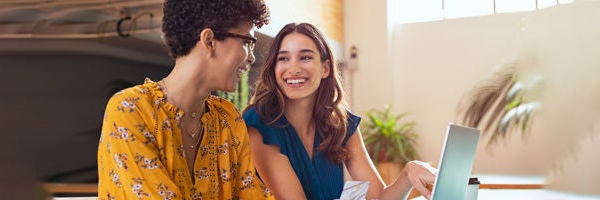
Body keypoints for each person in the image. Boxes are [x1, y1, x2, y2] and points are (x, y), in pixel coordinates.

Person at [97, 0, 272, 199]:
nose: (252, 58)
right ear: (209, 41)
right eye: (247, 42)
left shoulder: (228, 119)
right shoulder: (130, 110)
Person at [243, 23, 437, 200]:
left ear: (326, 68)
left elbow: (378, 197)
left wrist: (407, 174)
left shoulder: (340, 123)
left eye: (305, 57)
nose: (293, 68)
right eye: (283, 58)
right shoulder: (259, 126)